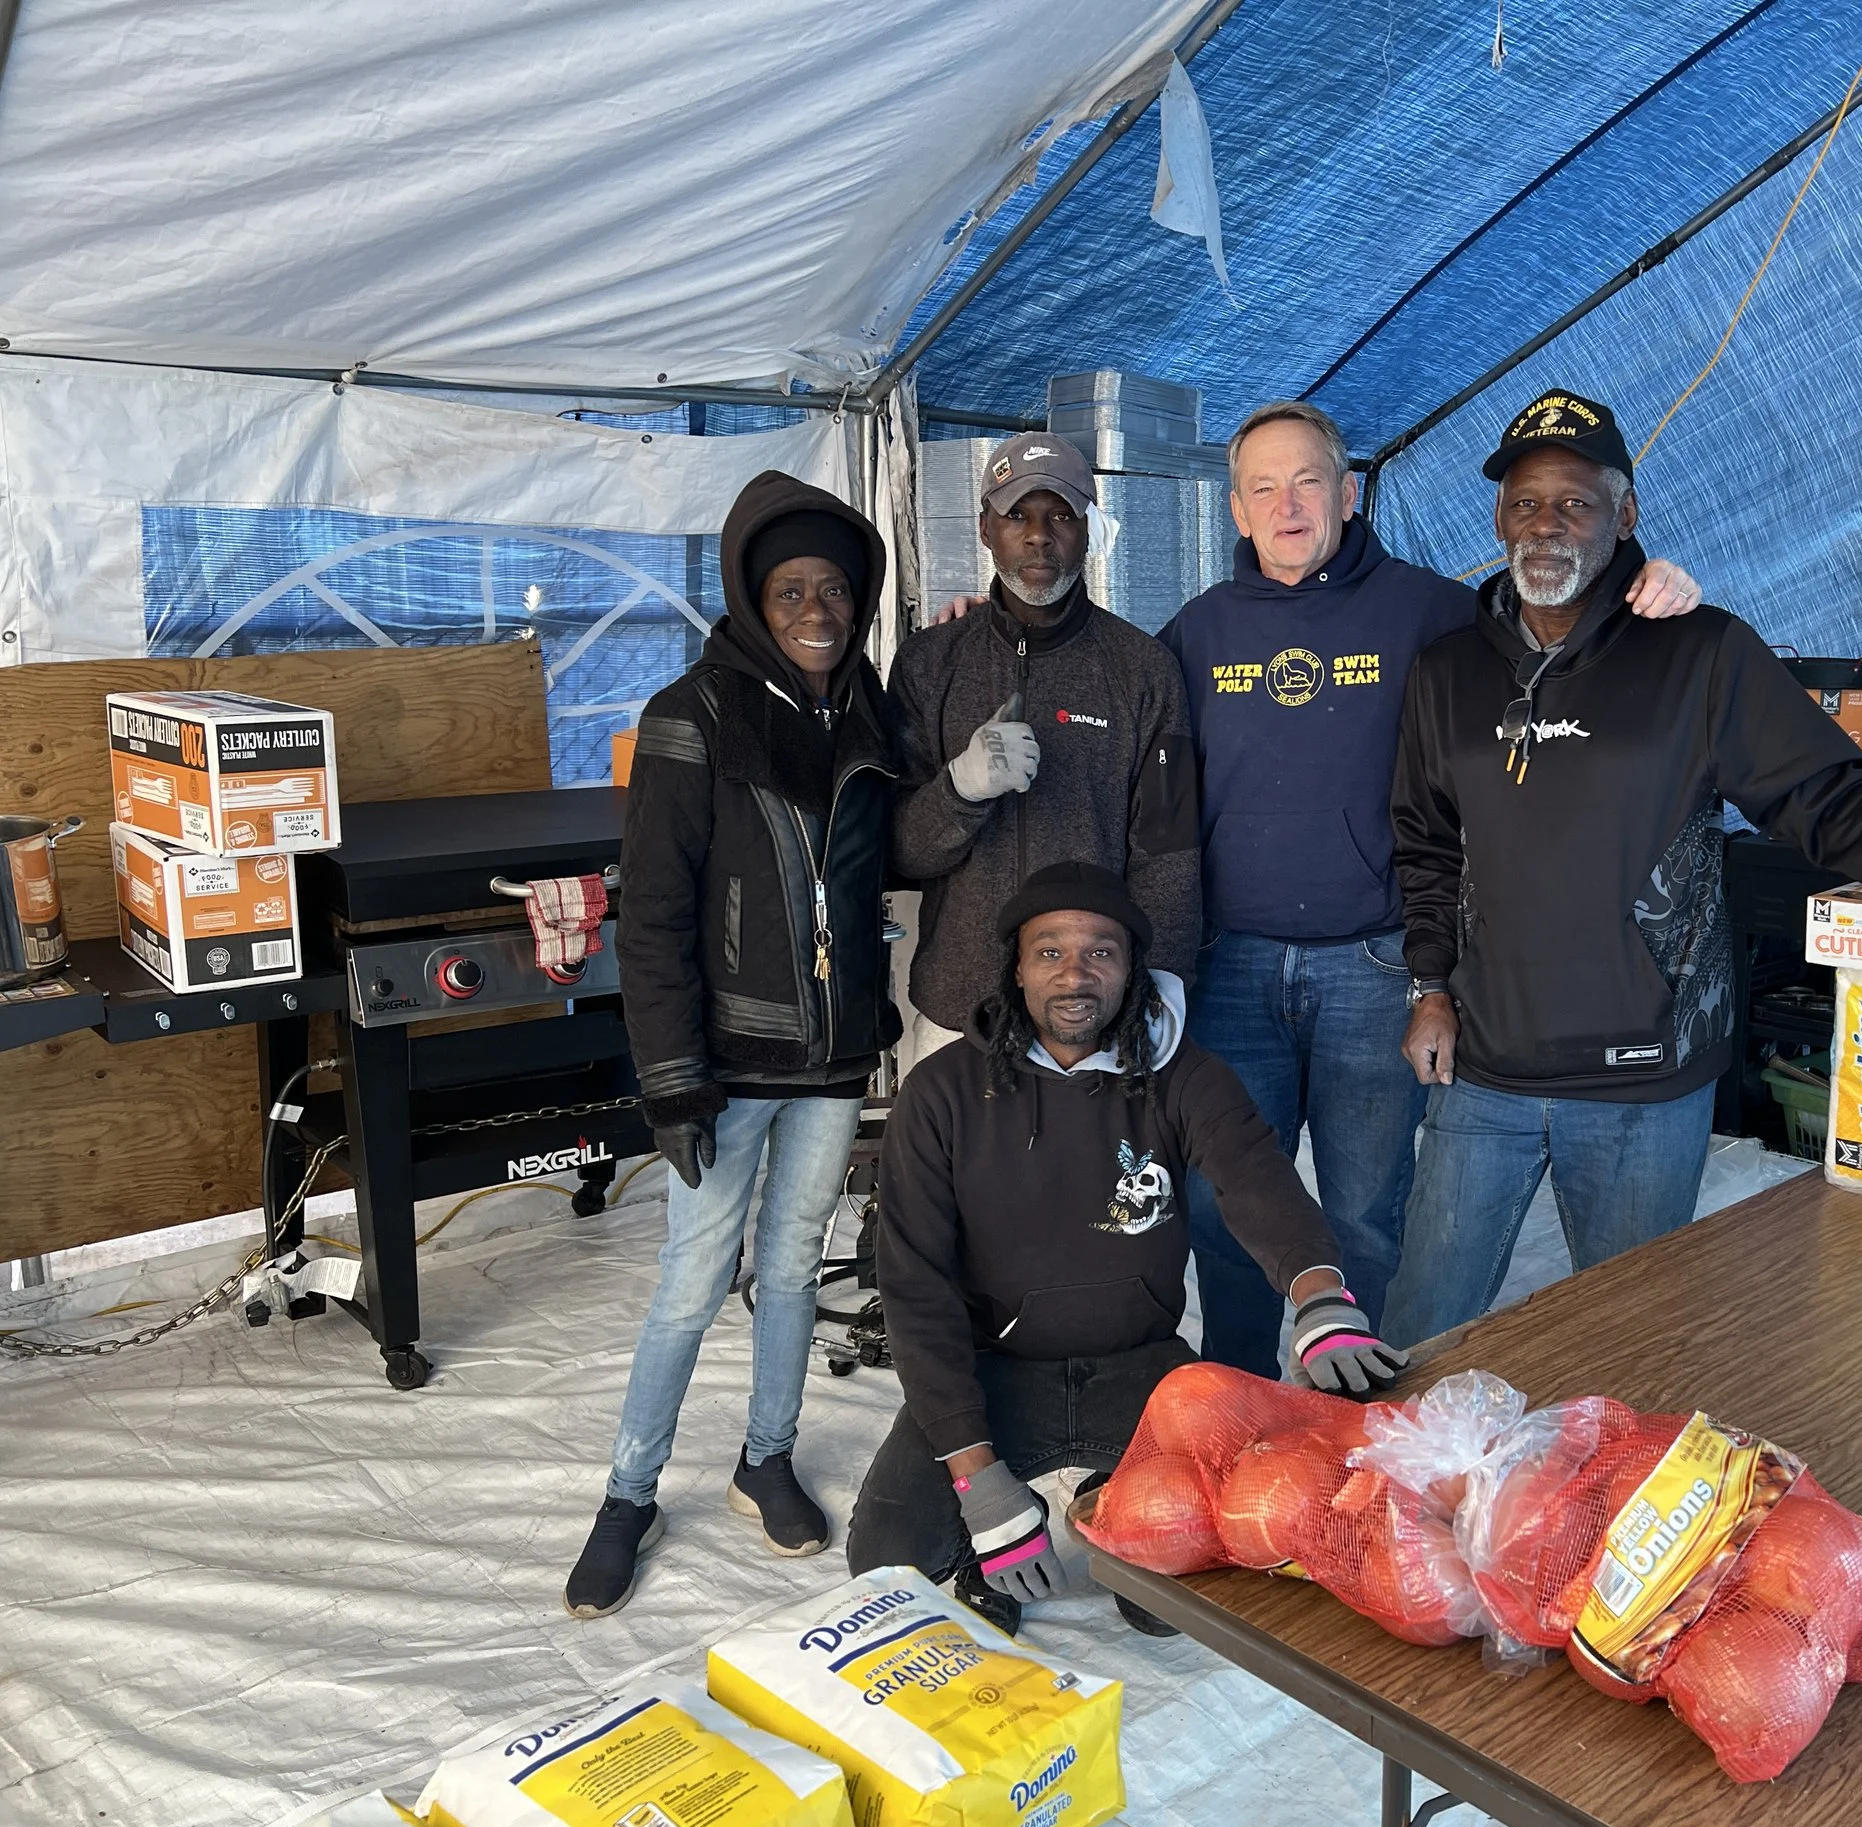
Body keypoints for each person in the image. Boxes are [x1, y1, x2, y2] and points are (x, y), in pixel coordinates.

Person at [1383, 388, 1862, 1346]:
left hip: (1645, 1081)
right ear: (1498, 518)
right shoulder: (1447, 672)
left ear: (1625, 514)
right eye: (1527, 503)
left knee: (1635, 1351)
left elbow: (1823, 794)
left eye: (1576, 503)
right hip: (1484, 1072)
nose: (1548, 525)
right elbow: (1425, 844)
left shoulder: (1701, 652)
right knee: (1419, 1334)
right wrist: (1429, 986)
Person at [1157, 398, 1705, 1376]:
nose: (1288, 506)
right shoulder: (1196, 631)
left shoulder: (1431, 611)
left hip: (1376, 963)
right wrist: (987, 628)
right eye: (1263, 489)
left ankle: (1362, 1403)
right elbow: (1112, 708)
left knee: (1368, 1204)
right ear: (1235, 510)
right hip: (1231, 967)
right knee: (1224, 1199)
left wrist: (1646, 584)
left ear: (1349, 493)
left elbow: (1562, 619)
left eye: (1308, 482)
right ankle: (1239, 1396)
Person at [850, 860, 1404, 1636]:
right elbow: (916, 1287)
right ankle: (1008, 1520)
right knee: (886, 1560)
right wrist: (979, 1482)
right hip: (995, 1371)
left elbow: (1255, 1173)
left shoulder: (1178, 1073)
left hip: (1140, 1369)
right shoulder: (941, 1092)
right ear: (1016, 968)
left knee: (1168, 1606)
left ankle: (1111, 1497)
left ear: (1132, 969)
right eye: (1050, 951)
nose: (1075, 974)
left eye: (1101, 952)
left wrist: (1319, 1294)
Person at [567, 469, 902, 1618]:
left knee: (796, 1262)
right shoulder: (693, 715)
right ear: (753, 599)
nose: (816, 609)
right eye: (790, 589)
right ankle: (628, 1494)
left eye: (835, 589)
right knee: (692, 1282)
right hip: (726, 1065)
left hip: (833, 1059)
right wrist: (671, 1082)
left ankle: (767, 1458)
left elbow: (886, 860)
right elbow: (653, 913)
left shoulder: (865, 712)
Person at [889, 433, 1198, 1061]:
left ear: (1088, 530)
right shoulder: (929, 662)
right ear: (985, 528)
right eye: (1016, 516)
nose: (1038, 536)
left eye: (1060, 515)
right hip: (959, 1008)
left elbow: (1168, 852)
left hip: (1093, 1012)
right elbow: (902, 852)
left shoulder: (1144, 670)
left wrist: (1154, 991)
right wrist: (961, 790)